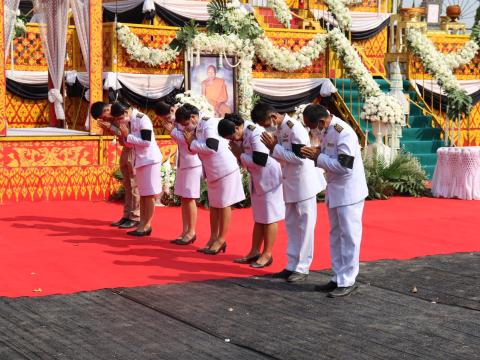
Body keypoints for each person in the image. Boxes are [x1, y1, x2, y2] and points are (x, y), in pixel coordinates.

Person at [253, 103, 326, 283]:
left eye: (264, 123)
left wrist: (275, 149)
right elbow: (283, 154)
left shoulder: (295, 129)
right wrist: (275, 149)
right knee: (292, 226)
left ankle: (302, 267)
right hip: (290, 183)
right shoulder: (280, 128)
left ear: (272, 117)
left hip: (303, 184)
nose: (264, 128)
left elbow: (300, 158)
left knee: (305, 226)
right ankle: (291, 264)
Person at [301, 104, 368, 298]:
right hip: (336, 190)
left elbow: (345, 166)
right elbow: (328, 154)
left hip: (349, 192)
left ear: (321, 122)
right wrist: (316, 153)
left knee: (349, 236)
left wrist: (319, 157)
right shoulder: (328, 130)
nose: (310, 130)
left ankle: (348, 280)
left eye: (311, 126)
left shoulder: (343, 132)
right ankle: (338, 276)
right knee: (336, 235)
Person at [177, 104, 245, 255]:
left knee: (224, 205)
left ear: (193, 117)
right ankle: (213, 237)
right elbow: (194, 149)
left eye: (186, 124)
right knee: (214, 206)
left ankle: (221, 239)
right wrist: (191, 143)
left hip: (224, 169)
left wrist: (192, 143)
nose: (186, 128)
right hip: (212, 171)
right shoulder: (197, 126)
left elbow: (211, 146)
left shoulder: (208, 123)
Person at [218, 113, 285, 268]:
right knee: (259, 217)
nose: (233, 140)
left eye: (232, 136)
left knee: (269, 217)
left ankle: (267, 254)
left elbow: (260, 160)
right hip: (257, 179)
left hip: (269, 179)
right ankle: (254, 251)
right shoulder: (243, 133)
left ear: (237, 127)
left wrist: (239, 154)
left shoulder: (255, 133)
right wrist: (240, 154)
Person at [112, 102, 163, 237]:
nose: (119, 121)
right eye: (116, 119)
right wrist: (124, 137)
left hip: (150, 160)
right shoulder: (129, 121)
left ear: (127, 111)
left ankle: (147, 225)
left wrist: (127, 135)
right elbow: (130, 143)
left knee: (149, 195)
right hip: (140, 160)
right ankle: (142, 223)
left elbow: (146, 141)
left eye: (119, 118)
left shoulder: (142, 119)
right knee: (144, 195)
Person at [155, 101, 202, 245]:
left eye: (168, 117)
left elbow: (190, 141)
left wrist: (173, 132)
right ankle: (185, 230)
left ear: (172, 109)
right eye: (164, 119)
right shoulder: (178, 121)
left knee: (190, 197)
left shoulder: (187, 120)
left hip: (193, 163)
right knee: (184, 198)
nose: (168, 121)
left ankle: (191, 231)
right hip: (182, 162)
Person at [91, 101, 140, 229]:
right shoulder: (113, 117)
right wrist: (109, 128)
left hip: (134, 150)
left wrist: (110, 127)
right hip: (125, 149)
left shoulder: (121, 112)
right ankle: (127, 215)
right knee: (127, 185)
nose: (104, 119)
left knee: (134, 185)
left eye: (103, 117)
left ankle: (136, 217)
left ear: (107, 109)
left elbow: (127, 134)